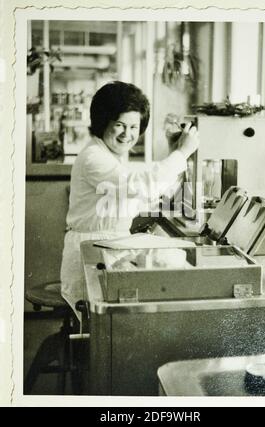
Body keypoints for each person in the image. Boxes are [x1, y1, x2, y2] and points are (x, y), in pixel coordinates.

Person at [60, 81, 199, 315]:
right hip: (91, 253)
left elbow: (145, 195)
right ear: (104, 122)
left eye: (134, 127)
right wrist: (182, 153)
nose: (128, 135)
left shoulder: (110, 155)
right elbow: (139, 185)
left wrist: (174, 154)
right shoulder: (94, 157)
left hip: (104, 248)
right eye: (120, 125)